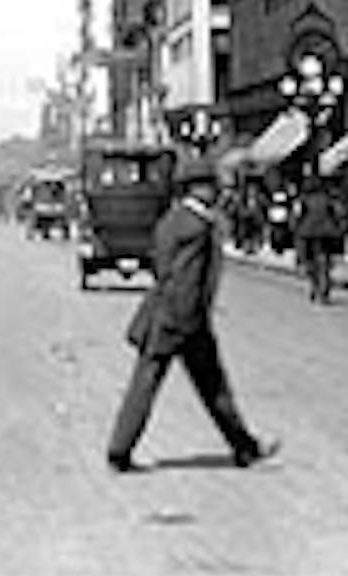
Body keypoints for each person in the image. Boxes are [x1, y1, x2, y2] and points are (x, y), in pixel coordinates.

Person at [106, 155, 274, 474]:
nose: (216, 192)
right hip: (184, 320)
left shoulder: (171, 221)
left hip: (162, 315)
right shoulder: (198, 227)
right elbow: (188, 279)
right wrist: (191, 322)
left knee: (144, 385)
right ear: (200, 189)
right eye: (211, 185)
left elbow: (162, 267)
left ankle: (119, 450)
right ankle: (245, 448)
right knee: (213, 387)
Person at [291, 172, 345, 304]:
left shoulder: (302, 199)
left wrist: (294, 229)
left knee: (309, 262)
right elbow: (338, 213)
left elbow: (296, 216)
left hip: (307, 232)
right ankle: (324, 289)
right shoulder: (327, 198)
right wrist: (339, 228)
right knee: (324, 260)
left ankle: (316, 287)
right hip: (327, 232)